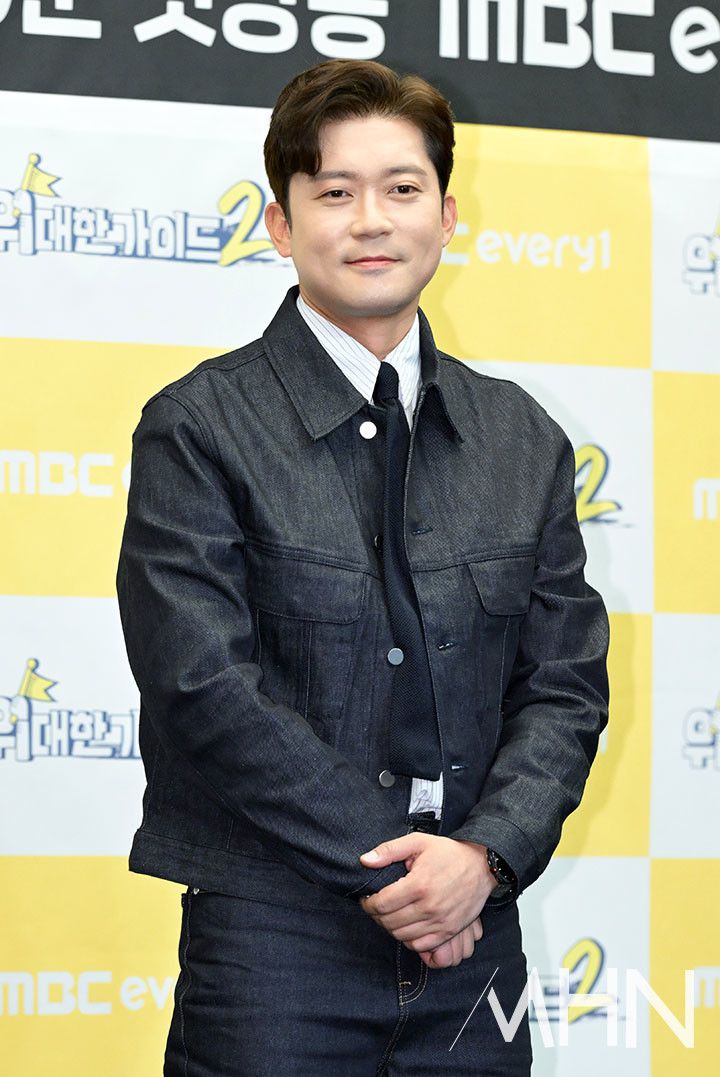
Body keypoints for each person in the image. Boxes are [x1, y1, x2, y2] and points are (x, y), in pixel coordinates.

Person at [116, 58, 609, 1076]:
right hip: (273, 939)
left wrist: (483, 858)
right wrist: (395, 872)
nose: (372, 221)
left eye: (402, 188)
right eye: (335, 192)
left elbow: (563, 685)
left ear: (448, 215)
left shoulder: (522, 439)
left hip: (473, 935)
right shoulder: (199, 428)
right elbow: (202, 686)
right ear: (281, 223)